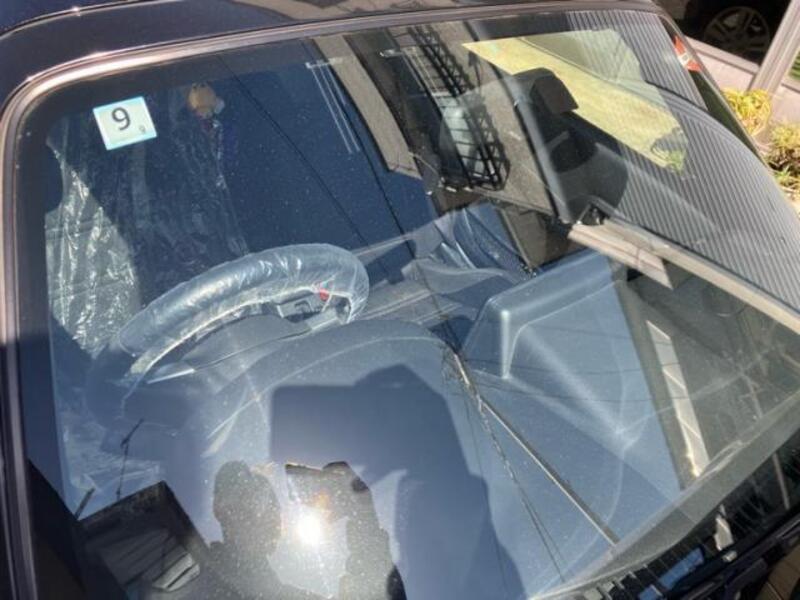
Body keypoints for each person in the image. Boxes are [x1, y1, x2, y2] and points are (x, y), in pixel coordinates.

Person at [142, 460, 404, 599]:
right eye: (255, 501)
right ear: (221, 510)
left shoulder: (280, 594)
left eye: (274, 506)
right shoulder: (182, 576)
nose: (270, 515)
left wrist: (363, 515)